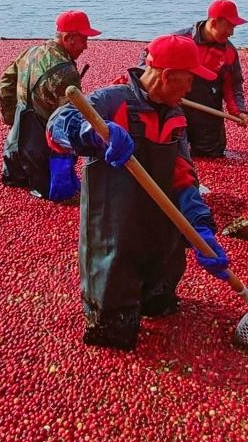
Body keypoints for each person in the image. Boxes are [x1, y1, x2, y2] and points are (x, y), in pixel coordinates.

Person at [47, 33, 232, 352]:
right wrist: (93, 134)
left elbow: (183, 174)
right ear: (168, 75)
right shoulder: (111, 102)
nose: (190, 89)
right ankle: (110, 315)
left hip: (161, 237)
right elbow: (56, 127)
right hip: (113, 236)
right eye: (188, 80)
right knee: (115, 331)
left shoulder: (175, 115)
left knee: (160, 303)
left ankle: (155, 295)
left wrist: (200, 227)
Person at [0, 10, 100, 201]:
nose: (86, 46)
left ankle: (20, 174)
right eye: (84, 39)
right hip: (42, 146)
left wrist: (11, 118)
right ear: (68, 38)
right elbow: (73, 118)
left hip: (20, 139)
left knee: (22, 133)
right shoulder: (66, 72)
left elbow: (6, 83)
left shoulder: (31, 52)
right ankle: (53, 185)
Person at [144, 0, 248, 158]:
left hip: (207, 105)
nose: (231, 33)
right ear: (214, 22)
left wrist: (238, 111)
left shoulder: (229, 52)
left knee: (211, 153)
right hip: (175, 102)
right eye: (229, 26)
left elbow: (233, 84)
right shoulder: (179, 40)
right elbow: (149, 68)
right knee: (171, 151)